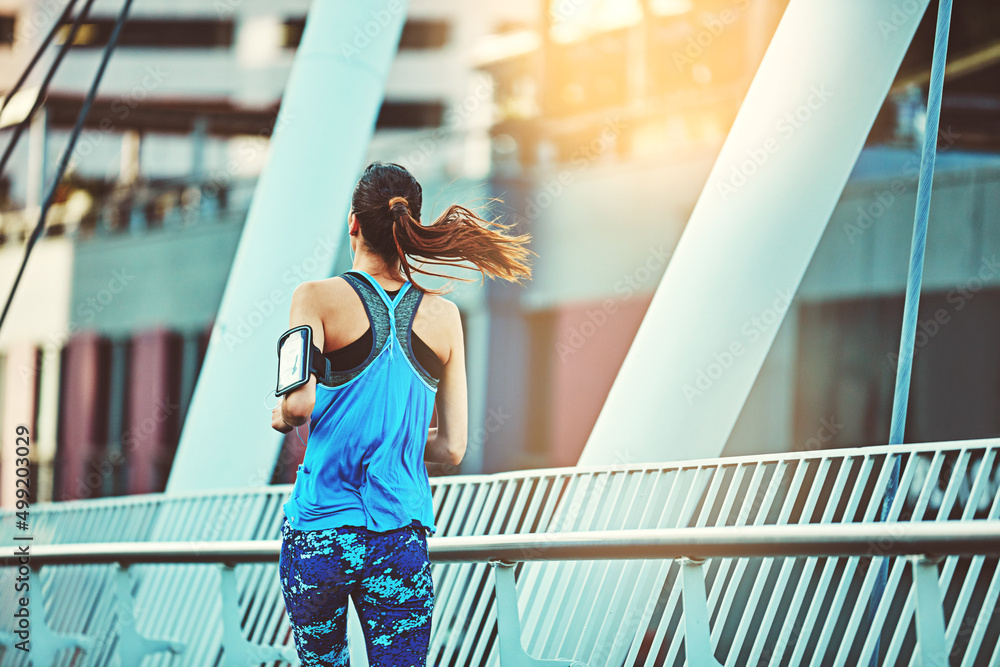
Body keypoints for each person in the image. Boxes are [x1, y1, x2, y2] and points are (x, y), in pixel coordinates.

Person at [270, 161, 533, 666]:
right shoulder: (444, 315)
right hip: (398, 536)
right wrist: (399, 446)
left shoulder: (316, 298)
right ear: (408, 227)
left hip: (320, 531)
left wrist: (279, 417)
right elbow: (453, 448)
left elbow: (298, 406)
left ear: (353, 223)